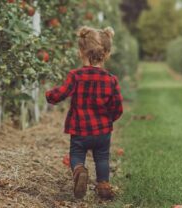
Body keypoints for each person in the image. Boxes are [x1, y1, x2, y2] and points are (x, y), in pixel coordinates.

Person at [45, 26, 123, 200]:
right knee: (102, 158)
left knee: (76, 155)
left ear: (81, 52)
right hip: (102, 131)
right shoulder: (111, 79)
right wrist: (108, 119)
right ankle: (103, 185)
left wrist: (49, 95)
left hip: (80, 129)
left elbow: (61, 93)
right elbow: (117, 107)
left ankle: (79, 170)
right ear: (107, 54)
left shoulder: (75, 76)